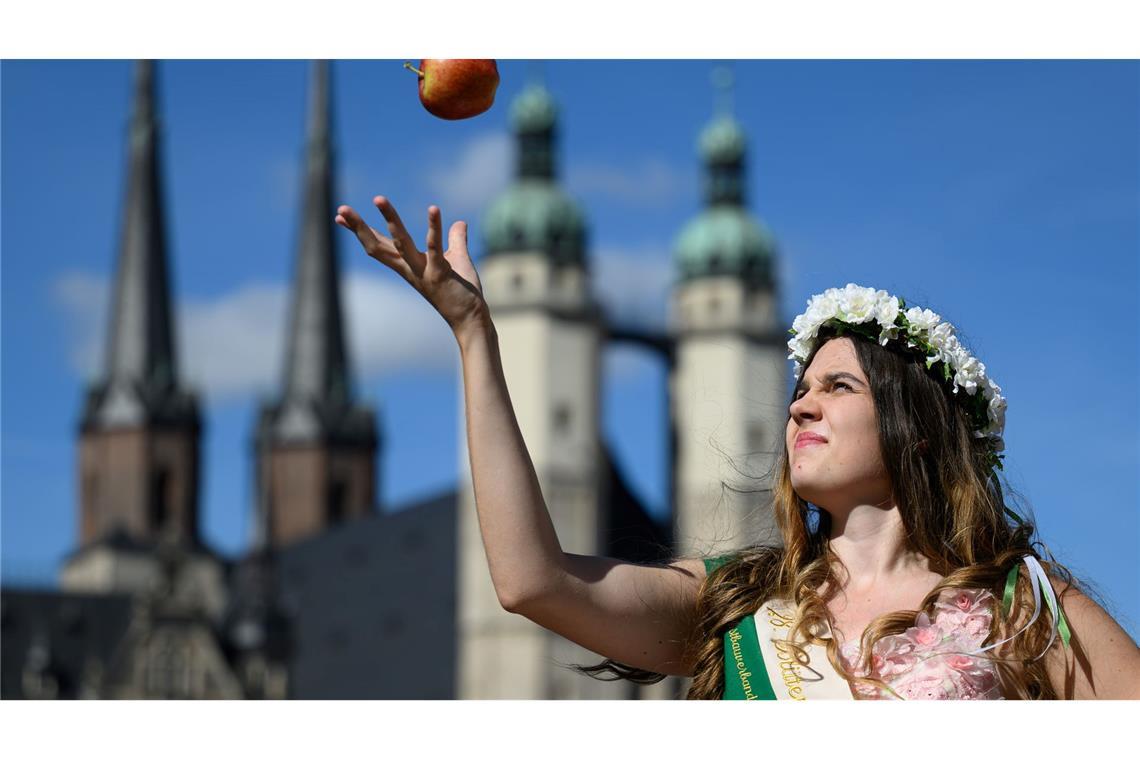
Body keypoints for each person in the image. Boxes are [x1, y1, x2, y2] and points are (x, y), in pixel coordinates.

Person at [334, 196, 1140, 700]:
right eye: (800, 389)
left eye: (838, 388)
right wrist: (475, 337)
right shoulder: (739, 603)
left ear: (916, 430)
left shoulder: (1020, 605)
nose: (801, 407)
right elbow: (531, 581)